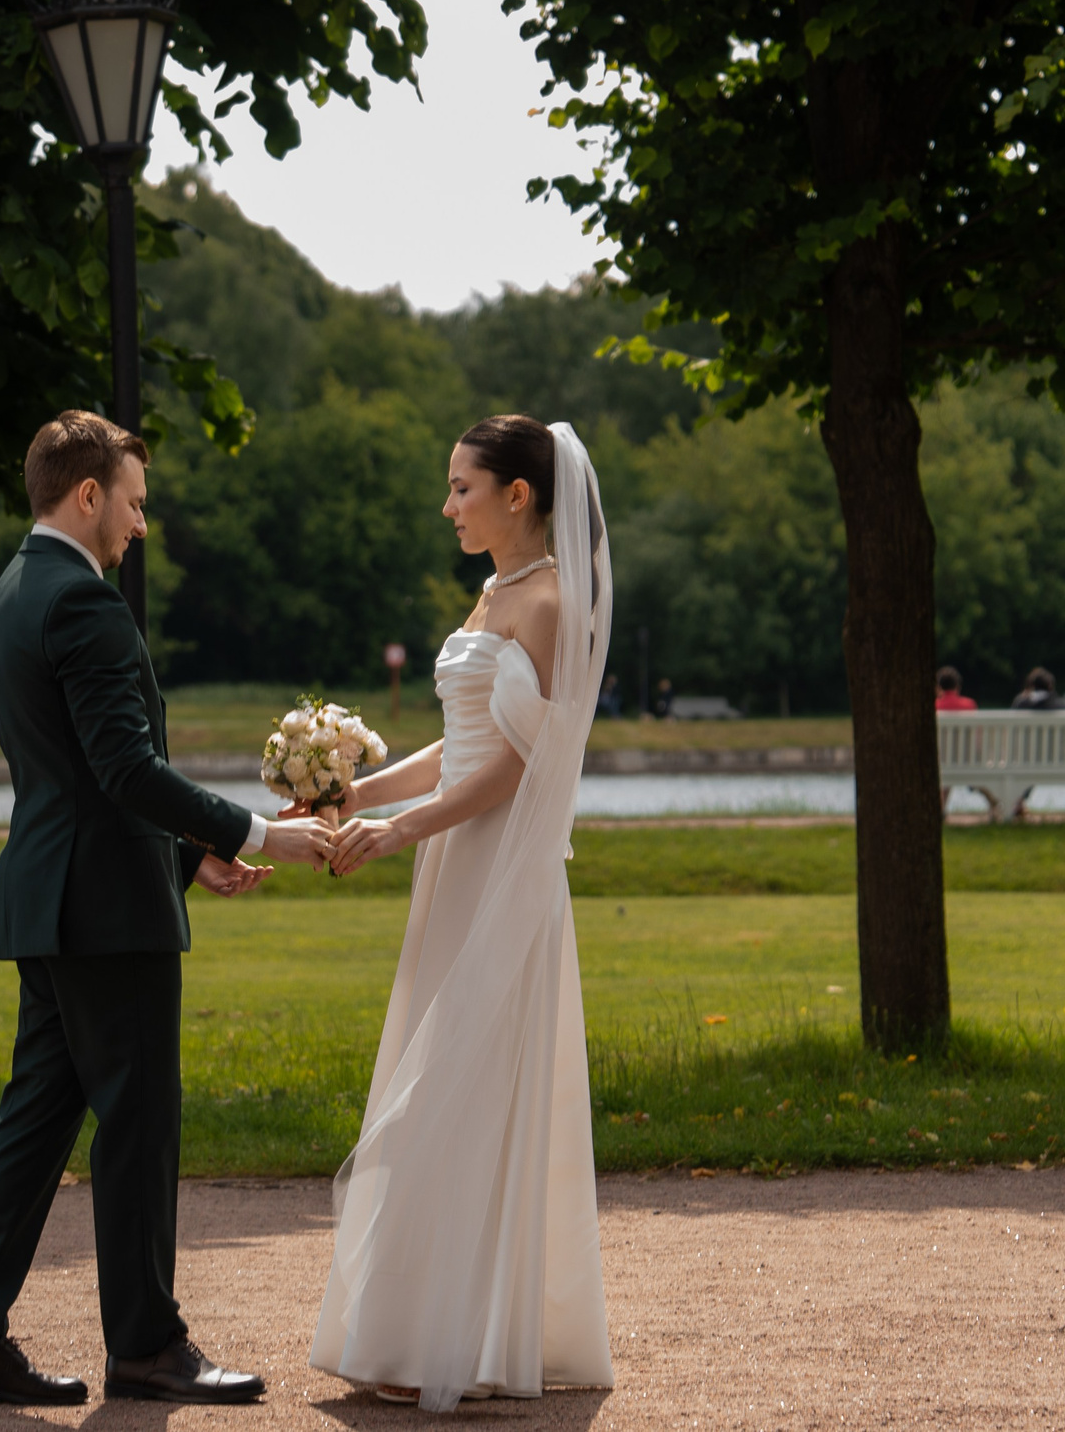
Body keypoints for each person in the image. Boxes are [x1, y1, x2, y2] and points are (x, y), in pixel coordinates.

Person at [0, 411, 336, 1408]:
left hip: (52, 898)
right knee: (139, 1120)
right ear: (89, 494)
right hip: (107, 912)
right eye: (135, 503)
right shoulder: (85, 608)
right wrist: (258, 834)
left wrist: (191, 856)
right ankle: (147, 1346)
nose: (141, 525)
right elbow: (124, 771)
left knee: (36, 1117)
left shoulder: (12, 596)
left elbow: (81, 777)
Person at [315, 415, 616, 1410]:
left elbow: (516, 768)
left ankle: (463, 1337)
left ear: (515, 495)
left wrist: (401, 830)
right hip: (451, 856)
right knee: (430, 1062)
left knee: (469, 1080)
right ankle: (414, 1330)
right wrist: (353, 794)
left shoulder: (551, 604)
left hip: (500, 866)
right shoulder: (491, 593)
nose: (447, 507)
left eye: (460, 488)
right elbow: (457, 743)